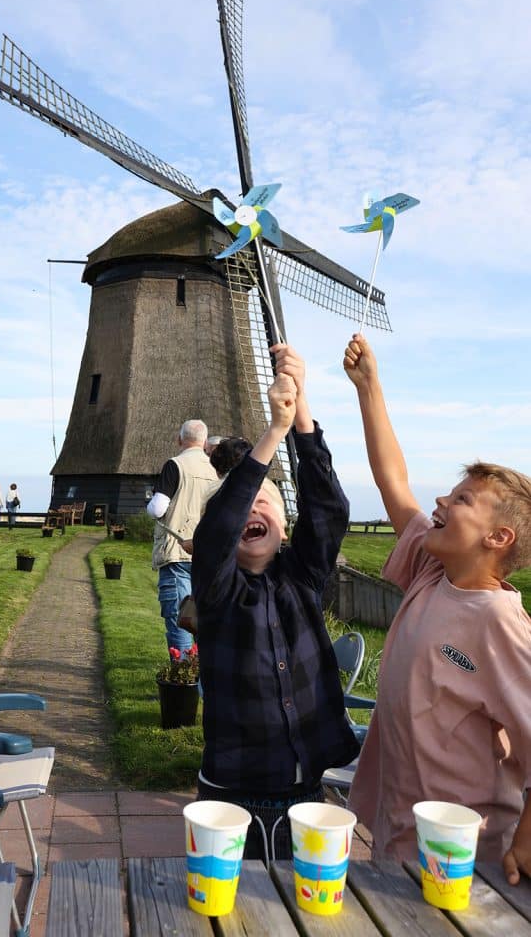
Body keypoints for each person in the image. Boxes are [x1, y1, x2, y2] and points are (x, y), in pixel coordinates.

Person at [343, 333, 531, 883]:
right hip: (399, 829)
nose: (440, 503)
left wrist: (528, 835)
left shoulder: (498, 621)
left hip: (468, 851)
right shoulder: (431, 568)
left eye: (461, 500)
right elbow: (393, 481)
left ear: (497, 538)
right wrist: (369, 388)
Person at [192, 344, 359, 862]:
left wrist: (300, 410)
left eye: (264, 502)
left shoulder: (303, 575)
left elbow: (328, 509)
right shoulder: (217, 590)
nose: (250, 512)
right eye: (244, 504)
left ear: (283, 526)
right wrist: (272, 435)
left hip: (307, 794)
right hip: (229, 796)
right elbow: (219, 526)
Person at [146, 420, 219, 656]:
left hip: (178, 552)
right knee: (207, 620)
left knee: (181, 616)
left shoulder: (175, 465)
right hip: (209, 556)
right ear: (205, 442)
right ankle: (202, 680)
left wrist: (149, 506)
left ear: (180, 440)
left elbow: (157, 509)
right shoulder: (217, 470)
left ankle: (182, 680)